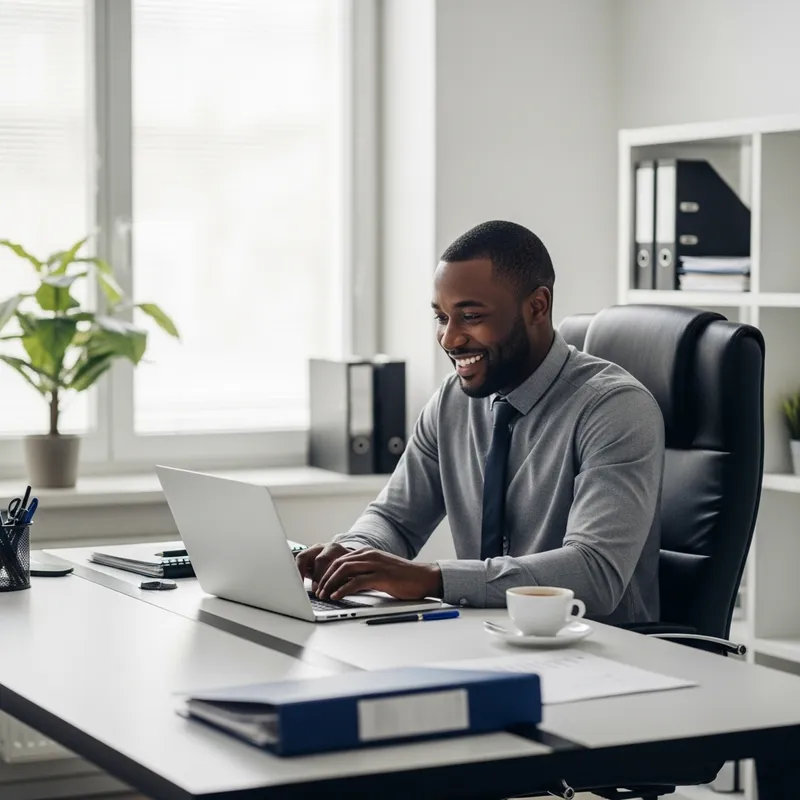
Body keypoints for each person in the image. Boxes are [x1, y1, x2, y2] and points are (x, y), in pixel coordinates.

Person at [297, 220, 665, 624]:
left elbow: (595, 573)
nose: (449, 339)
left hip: (596, 649)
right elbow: (394, 520)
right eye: (441, 317)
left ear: (537, 307)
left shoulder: (614, 408)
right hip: (481, 636)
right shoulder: (451, 401)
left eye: (470, 316)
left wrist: (433, 579)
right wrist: (352, 553)